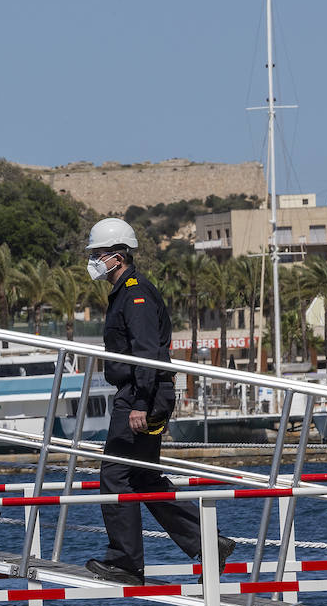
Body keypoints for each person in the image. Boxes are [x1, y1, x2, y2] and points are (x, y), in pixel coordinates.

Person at [84, 217, 234, 584]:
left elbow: (146, 351)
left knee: (115, 474)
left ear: (117, 256)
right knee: (142, 477)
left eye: (98, 254)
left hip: (141, 395)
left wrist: (140, 403)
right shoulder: (124, 292)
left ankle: (125, 563)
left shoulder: (135, 294)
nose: (93, 261)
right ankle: (208, 542)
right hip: (143, 392)